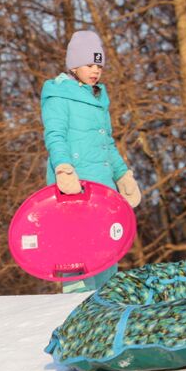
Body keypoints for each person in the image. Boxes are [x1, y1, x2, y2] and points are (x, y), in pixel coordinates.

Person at [41, 30, 141, 293]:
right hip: (74, 187)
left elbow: (107, 142)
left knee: (107, 250)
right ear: (74, 65)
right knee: (77, 251)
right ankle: (77, 304)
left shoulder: (98, 98)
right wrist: (63, 168)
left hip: (102, 188)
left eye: (99, 65)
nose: (96, 70)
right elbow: (55, 135)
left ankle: (106, 304)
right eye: (89, 64)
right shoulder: (59, 95)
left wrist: (122, 174)